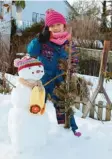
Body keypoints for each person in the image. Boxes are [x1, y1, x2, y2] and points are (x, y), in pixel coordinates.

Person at [27, 9, 81, 137]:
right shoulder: (43, 40)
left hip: (60, 78)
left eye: (58, 24)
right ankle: (33, 127)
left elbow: (74, 60)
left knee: (63, 103)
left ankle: (70, 127)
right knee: (38, 102)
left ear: (64, 25)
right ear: (48, 27)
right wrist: (38, 40)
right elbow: (32, 53)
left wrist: (69, 72)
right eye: (52, 25)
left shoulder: (69, 43)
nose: (56, 28)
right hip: (43, 78)